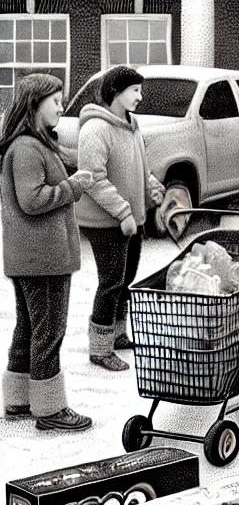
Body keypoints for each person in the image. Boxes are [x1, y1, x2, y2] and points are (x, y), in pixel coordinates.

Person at [1, 74, 95, 430]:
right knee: (49, 332)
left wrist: (76, 169)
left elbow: (59, 164)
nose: (60, 106)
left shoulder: (34, 144)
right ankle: (50, 409)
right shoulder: (26, 148)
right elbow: (32, 199)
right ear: (34, 104)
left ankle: (19, 400)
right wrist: (72, 187)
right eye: (55, 100)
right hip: (42, 259)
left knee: (29, 328)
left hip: (32, 257)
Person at [78, 66, 165, 372]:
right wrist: (123, 211)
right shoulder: (95, 129)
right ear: (116, 92)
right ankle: (99, 350)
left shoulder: (132, 125)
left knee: (126, 281)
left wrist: (152, 186)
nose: (140, 97)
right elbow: (92, 179)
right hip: (106, 221)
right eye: (135, 91)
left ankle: (116, 334)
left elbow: (141, 166)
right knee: (111, 282)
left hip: (132, 219)